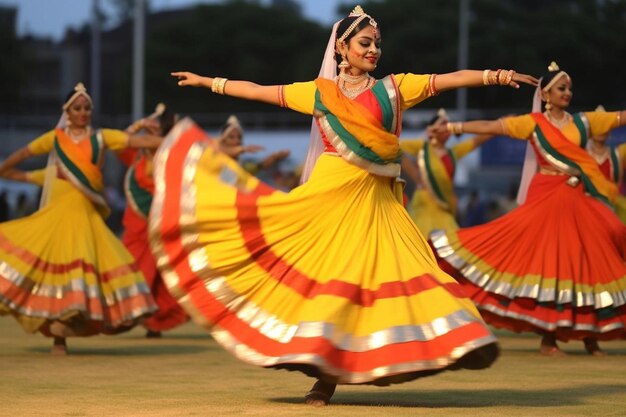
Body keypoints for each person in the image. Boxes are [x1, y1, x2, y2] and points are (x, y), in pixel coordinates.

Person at [164, 5, 536, 406]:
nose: (374, 49)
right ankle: (321, 378)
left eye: (377, 43)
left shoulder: (394, 88)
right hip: (326, 201)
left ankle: (431, 348)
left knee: (389, 280)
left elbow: (448, 81)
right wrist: (208, 82)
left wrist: (495, 76)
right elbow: (258, 90)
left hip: (376, 205)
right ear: (341, 48)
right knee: (325, 287)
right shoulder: (320, 93)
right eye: (365, 42)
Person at [430, 62, 626, 358]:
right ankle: (549, 339)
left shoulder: (584, 122)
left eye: (569, 89)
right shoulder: (533, 124)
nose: (567, 93)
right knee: (552, 266)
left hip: (578, 201)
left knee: (589, 264)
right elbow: (492, 127)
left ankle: (590, 338)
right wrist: (455, 127)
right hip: (546, 201)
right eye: (561, 88)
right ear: (545, 94)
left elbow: (619, 118)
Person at [0, 82, 160, 354]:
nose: (83, 112)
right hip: (57, 217)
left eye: (87, 108)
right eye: (77, 108)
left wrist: (180, 140)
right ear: (67, 111)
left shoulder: (101, 138)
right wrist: (3, 169)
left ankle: (68, 330)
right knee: (53, 274)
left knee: (86, 275)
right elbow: (23, 155)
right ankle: (58, 338)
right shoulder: (54, 139)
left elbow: (142, 141)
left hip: (87, 217)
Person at [117, 103, 189, 338]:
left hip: (159, 223)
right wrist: (138, 124)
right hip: (136, 225)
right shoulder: (136, 155)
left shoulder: (166, 156)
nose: (149, 132)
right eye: (147, 129)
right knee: (133, 270)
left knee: (159, 277)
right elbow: (119, 143)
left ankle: (153, 322)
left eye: (155, 129)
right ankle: (127, 312)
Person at [400, 108, 494, 235]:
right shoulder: (424, 148)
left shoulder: (453, 153)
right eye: (442, 125)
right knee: (424, 242)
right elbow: (397, 147)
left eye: (448, 125)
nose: (447, 129)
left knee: (451, 245)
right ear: (432, 129)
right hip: (425, 206)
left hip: (445, 207)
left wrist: (498, 127)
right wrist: (414, 174)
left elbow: (476, 141)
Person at [586, 105, 626, 224]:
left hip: (610, 209)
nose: (601, 129)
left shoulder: (617, 154)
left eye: (604, 125)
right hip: (585, 210)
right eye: (597, 125)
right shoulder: (581, 154)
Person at [218, 114, 291, 176]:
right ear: (223, 141)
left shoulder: (241, 166)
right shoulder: (215, 159)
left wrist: (276, 156)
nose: (237, 141)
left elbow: (259, 166)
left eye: (239, 137)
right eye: (231, 137)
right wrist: (242, 149)